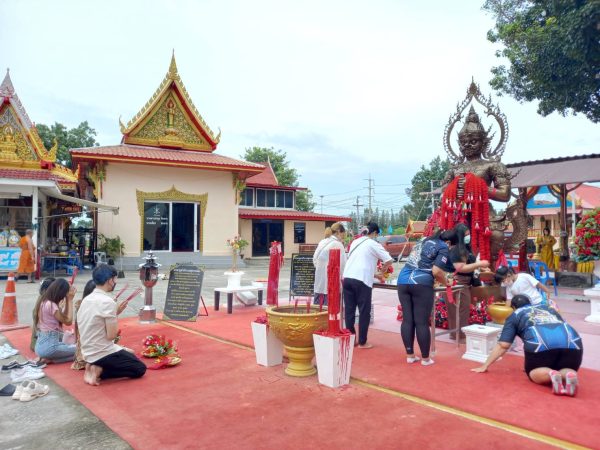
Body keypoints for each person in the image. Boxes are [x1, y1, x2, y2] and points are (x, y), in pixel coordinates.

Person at [472, 294, 583, 396]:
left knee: (533, 372)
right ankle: (569, 374)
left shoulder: (514, 316)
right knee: (565, 367)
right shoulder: (548, 308)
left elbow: (503, 345)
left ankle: (551, 374)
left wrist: (485, 365)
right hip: (574, 344)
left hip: (542, 347)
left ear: (513, 307)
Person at [78, 264, 146, 385]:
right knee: (139, 368)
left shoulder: (86, 300)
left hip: (87, 351)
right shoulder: (107, 302)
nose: (115, 282)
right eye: (115, 279)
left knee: (129, 353)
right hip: (102, 352)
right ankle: (99, 370)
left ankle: (94, 365)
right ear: (110, 280)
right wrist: (115, 314)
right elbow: (111, 335)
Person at [397, 228, 456, 365]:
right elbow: (436, 271)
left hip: (402, 281)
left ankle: (410, 355)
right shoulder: (443, 246)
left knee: (407, 320)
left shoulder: (423, 240)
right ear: (448, 242)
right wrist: (446, 282)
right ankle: (425, 358)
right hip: (421, 283)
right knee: (421, 322)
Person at [343, 222, 392, 349]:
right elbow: (388, 260)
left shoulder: (355, 242)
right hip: (362, 281)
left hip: (347, 278)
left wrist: (375, 275)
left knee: (349, 310)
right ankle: (363, 342)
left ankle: (351, 338)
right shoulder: (373, 243)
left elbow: (357, 262)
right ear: (375, 233)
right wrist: (382, 272)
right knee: (364, 312)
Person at [445, 223, 490, 340]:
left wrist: (481, 267)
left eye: (469, 234)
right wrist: (479, 264)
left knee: (461, 310)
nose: (468, 236)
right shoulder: (456, 250)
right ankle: (459, 336)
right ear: (460, 236)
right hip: (458, 283)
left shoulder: (465, 249)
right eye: (466, 234)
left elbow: (470, 264)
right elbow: (461, 268)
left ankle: (456, 334)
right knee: (460, 310)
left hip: (465, 283)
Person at [33, 278, 77, 363]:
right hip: (50, 348)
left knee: (70, 346)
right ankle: (52, 360)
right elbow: (68, 321)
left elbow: (64, 318)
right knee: (81, 351)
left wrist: (67, 301)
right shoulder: (51, 304)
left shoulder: (44, 302)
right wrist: (70, 300)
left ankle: (49, 359)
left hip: (40, 347)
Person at [313, 223, 347, 306]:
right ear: (339, 232)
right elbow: (343, 265)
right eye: (343, 234)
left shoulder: (322, 242)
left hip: (319, 280)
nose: (343, 237)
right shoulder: (338, 244)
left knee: (318, 308)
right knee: (331, 311)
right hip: (332, 282)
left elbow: (314, 259)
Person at [71, 280, 96, 370]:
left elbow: (76, 327)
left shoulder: (80, 305)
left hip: (82, 347)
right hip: (93, 347)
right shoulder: (95, 307)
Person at [30, 277, 55, 352]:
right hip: (45, 345)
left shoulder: (41, 299)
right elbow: (67, 320)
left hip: (36, 343)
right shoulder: (49, 303)